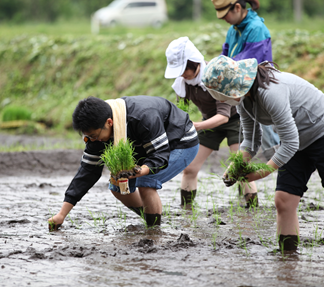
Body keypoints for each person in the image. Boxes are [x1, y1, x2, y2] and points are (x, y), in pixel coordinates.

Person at [202, 55, 324, 253]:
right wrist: (235, 166)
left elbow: (290, 142)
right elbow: (251, 141)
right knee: (284, 201)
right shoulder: (243, 100)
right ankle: (287, 261)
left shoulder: (270, 92)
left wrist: (261, 172)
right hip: (296, 139)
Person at [48, 95, 199, 229]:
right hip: (145, 146)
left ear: (109, 122)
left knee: (145, 181)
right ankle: (151, 219)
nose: (93, 141)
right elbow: (87, 172)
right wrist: (61, 214)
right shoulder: (97, 133)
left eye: (94, 136)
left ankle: (154, 233)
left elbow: (159, 155)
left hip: (180, 140)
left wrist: (139, 171)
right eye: (89, 137)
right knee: (117, 186)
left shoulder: (143, 116)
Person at [164, 36, 258, 208]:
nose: (182, 75)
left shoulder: (213, 75)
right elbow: (181, 113)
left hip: (236, 120)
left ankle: (252, 211)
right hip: (209, 122)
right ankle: (186, 210)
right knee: (190, 167)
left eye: (184, 70)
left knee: (240, 167)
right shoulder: (182, 84)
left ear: (195, 63)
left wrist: (196, 126)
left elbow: (223, 117)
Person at [211, 0, 280, 159]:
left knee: (269, 140)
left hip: (260, 89)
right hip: (243, 89)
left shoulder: (256, 28)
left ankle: (286, 173)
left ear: (237, 7)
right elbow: (225, 56)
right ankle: (243, 174)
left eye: (225, 14)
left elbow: (247, 63)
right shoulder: (233, 29)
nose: (222, 18)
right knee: (248, 138)